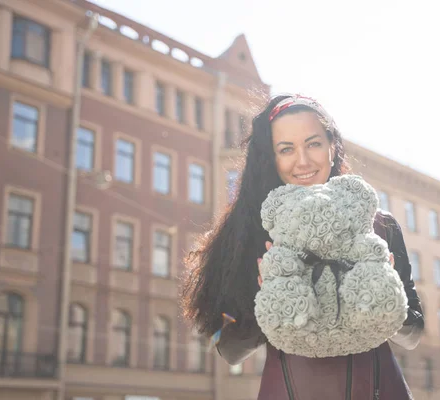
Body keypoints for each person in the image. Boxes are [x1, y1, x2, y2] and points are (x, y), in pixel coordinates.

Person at [181, 94, 424, 399]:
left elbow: (414, 333)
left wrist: (386, 293)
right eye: (286, 149)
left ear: (332, 147)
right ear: (272, 158)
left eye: (313, 143)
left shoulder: (378, 225)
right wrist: (267, 297)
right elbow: (226, 347)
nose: (303, 161)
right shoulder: (251, 232)